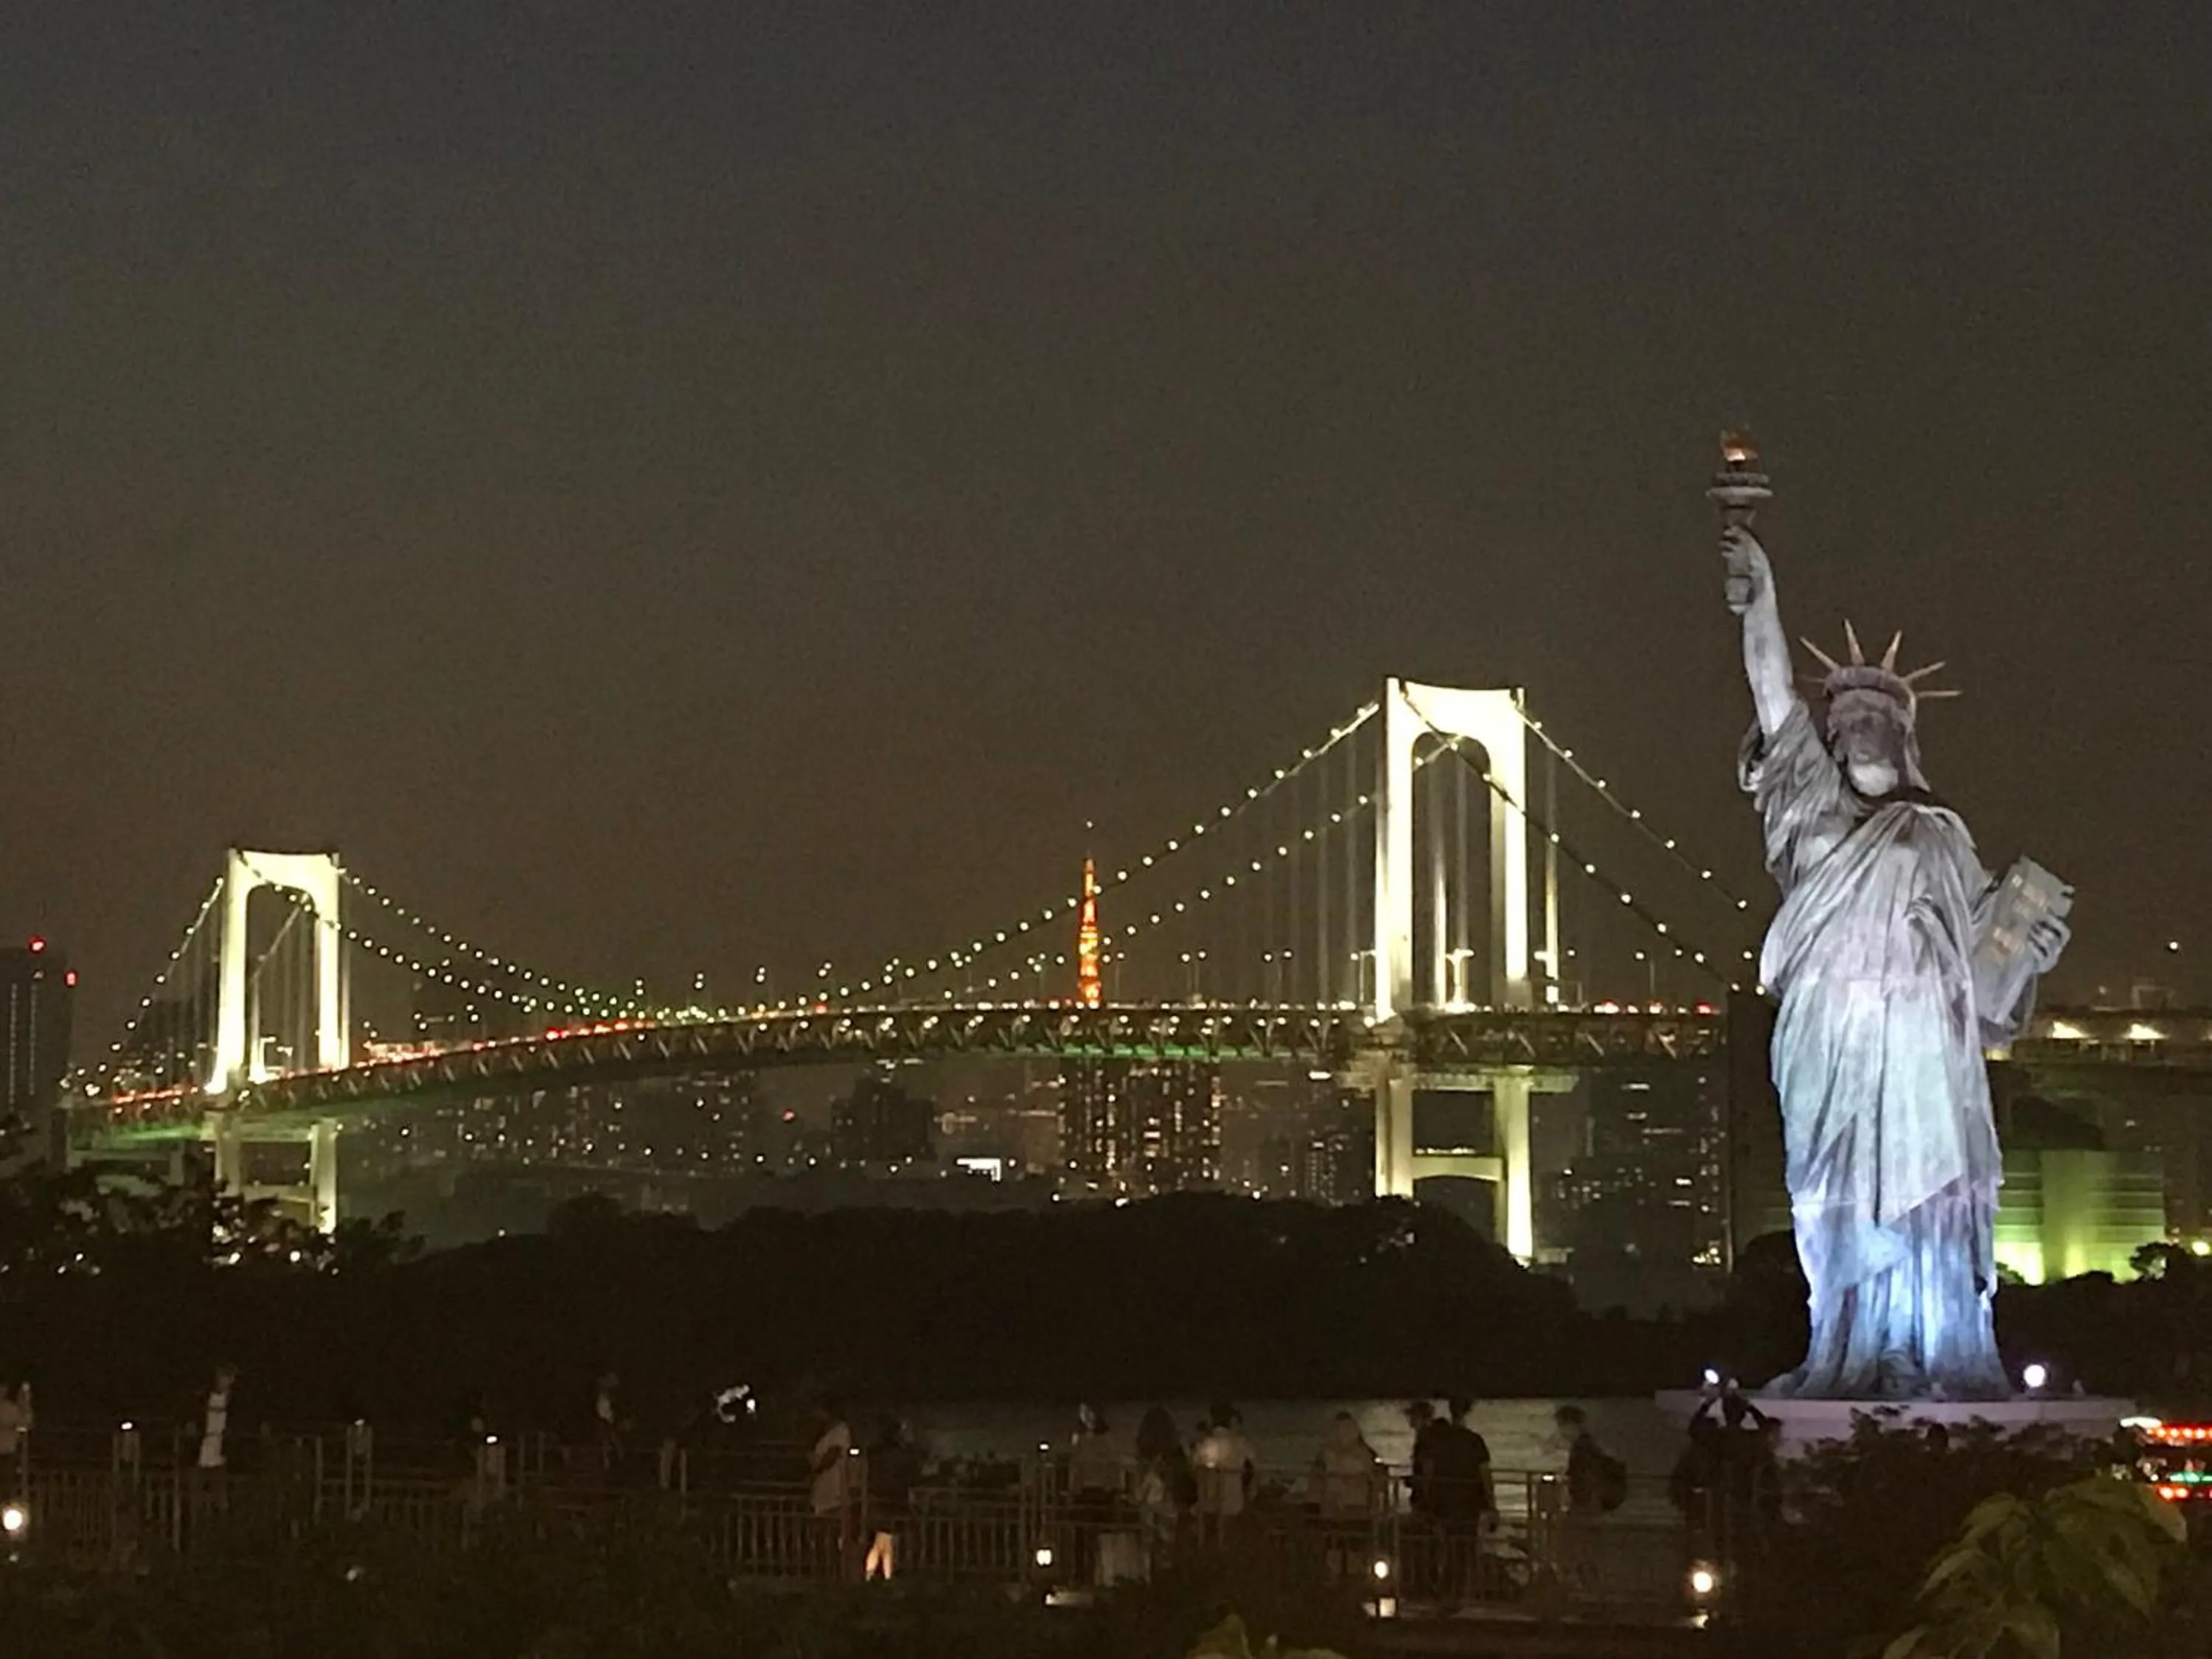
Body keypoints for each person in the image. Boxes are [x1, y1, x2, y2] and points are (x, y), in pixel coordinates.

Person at [1722, 523, 2070, 1399]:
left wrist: (2030, 953)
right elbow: (1770, 690)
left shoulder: (1938, 832)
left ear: (1904, 735)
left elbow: (1985, 971)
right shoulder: (1808, 804)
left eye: (1880, 717)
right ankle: (1844, 1341)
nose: (1863, 727)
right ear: (1830, 739)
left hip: (1921, 1038)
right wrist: (1760, 596)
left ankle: (1930, 1346)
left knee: (1929, 1189)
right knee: (1833, 1187)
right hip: (1832, 1036)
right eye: (1848, 719)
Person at [1430, 1397, 1496, 1604]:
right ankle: (1458, 1593)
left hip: (1446, 1503)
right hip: (1468, 1502)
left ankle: (1446, 1592)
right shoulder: (1474, 1441)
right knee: (1464, 1548)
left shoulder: (1442, 1442)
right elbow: (1484, 1473)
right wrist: (1492, 1504)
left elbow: (1432, 1471)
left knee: (1448, 1548)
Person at [1189, 1401, 1257, 1543]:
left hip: (1206, 1502)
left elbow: (1194, 1469)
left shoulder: (1204, 1444)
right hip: (1234, 1501)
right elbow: (1257, 1468)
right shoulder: (1241, 1443)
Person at [863, 1416, 918, 1580]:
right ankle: (878, 1575)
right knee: (885, 1541)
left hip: (878, 1498)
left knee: (883, 1540)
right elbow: (909, 1474)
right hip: (894, 1499)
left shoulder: (875, 1453)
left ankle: (878, 1574)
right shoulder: (899, 1454)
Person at [809, 1399, 858, 1574]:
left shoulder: (840, 1431)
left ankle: (835, 1570)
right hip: (823, 1489)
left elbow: (833, 1455)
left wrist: (815, 1470)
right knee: (823, 1533)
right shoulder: (825, 1432)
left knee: (833, 1532)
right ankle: (826, 1568)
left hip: (835, 1488)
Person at [0, 1382, 29, 1504]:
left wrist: (24, 1404)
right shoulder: (9, 1410)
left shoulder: (10, 1409)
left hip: (6, 1453)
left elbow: (24, 1423)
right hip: (6, 1453)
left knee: (6, 1488)